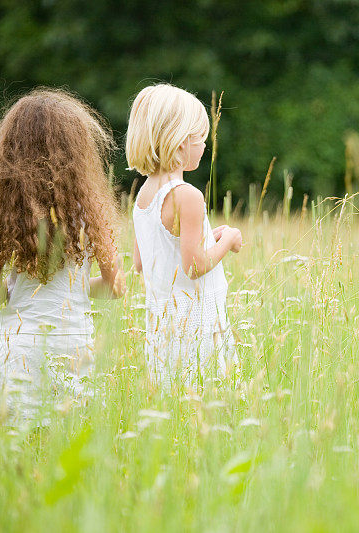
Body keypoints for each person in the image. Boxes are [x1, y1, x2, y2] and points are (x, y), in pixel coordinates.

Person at [0, 88, 125, 426]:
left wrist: (21, 291)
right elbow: (115, 287)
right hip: (73, 349)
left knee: (13, 443)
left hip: (19, 349)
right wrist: (77, 289)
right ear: (78, 153)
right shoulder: (89, 210)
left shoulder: (3, 211)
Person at [128, 84, 241, 387]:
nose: (204, 146)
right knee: (207, 403)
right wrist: (228, 240)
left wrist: (208, 238)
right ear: (179, 142)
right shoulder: (187, 195)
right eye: (200, 139)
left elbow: (142, 262)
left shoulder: (144, 194)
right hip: (197, 327)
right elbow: (194, 266)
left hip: (162, 329)